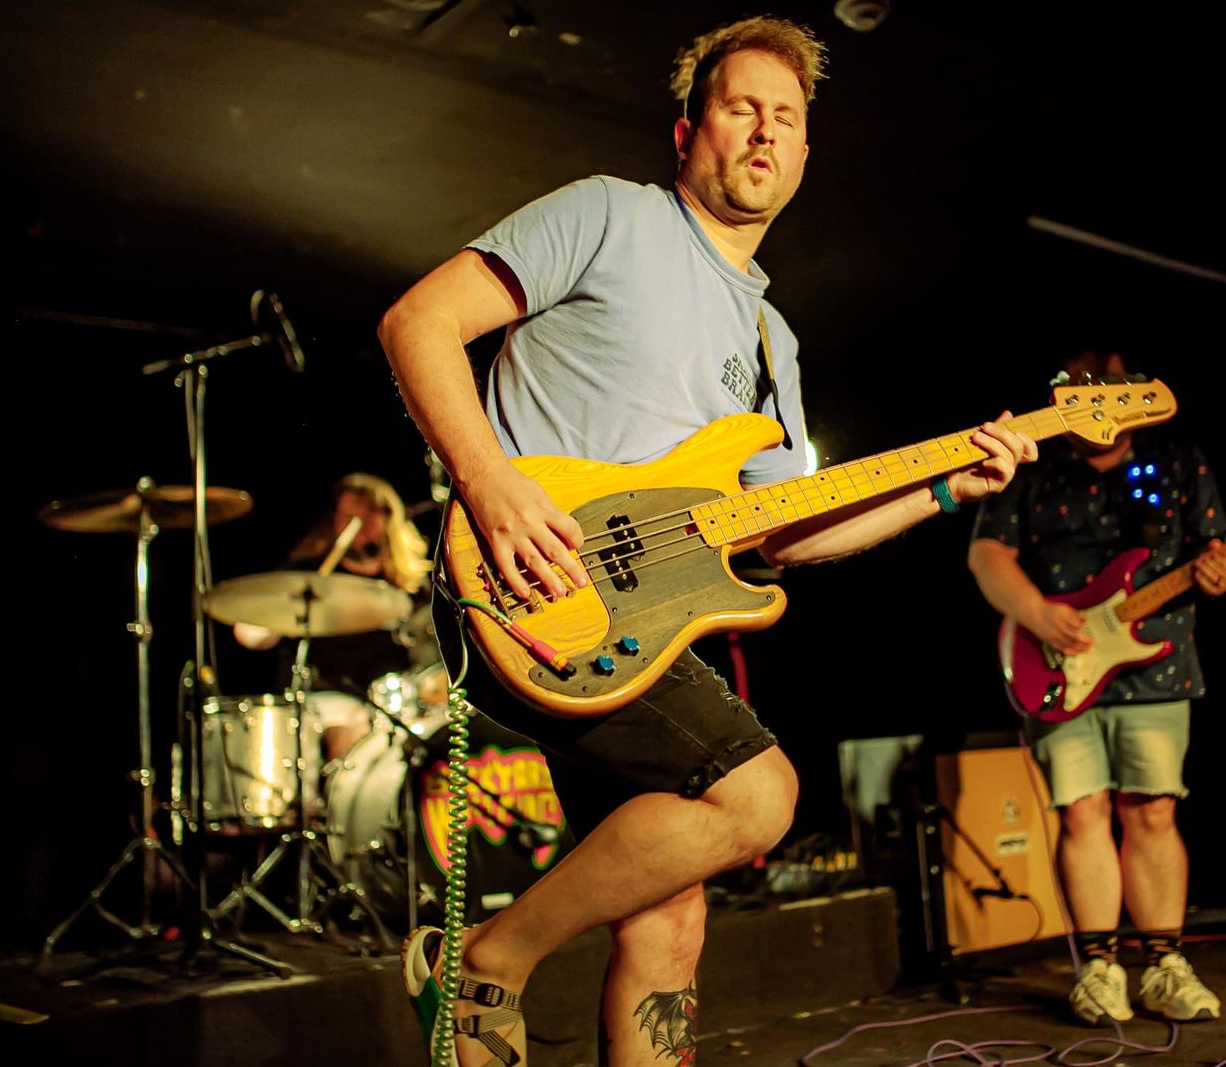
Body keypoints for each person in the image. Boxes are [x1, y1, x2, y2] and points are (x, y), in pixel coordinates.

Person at [377, 16, 1038, 1066]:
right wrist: (490, 483)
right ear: (689, 131)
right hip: (526, 580)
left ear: (806, 152)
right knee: (757, 793)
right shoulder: (610, 214)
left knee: (668, 916)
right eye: (741, 108)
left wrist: (943, 490)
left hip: (641, 624)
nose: (765, 131)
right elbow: (417, 321)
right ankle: (489, 955)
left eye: (786, 117)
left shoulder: (773, 345)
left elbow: (784, 539)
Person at [967, 349, 1226, 1026]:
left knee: (1153, 810)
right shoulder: (1033, 467)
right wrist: (1035, 612)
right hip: (1056, 660)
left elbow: (1214, 550)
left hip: (1157, 662)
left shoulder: (1178, 461)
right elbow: (987, 554)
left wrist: (1219, 571)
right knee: (1082, 811)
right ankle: (1100, 969)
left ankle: (1166, 966)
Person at [232, 472, 441, 761]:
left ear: (388, 518)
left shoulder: (414, 584)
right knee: (352, 722)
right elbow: (250, 635)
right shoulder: (306, 577)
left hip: (399, 701)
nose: (360, 524)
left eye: (368, 515)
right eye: (349, 516)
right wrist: (277, 619)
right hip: (327, 700)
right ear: (334, 521)